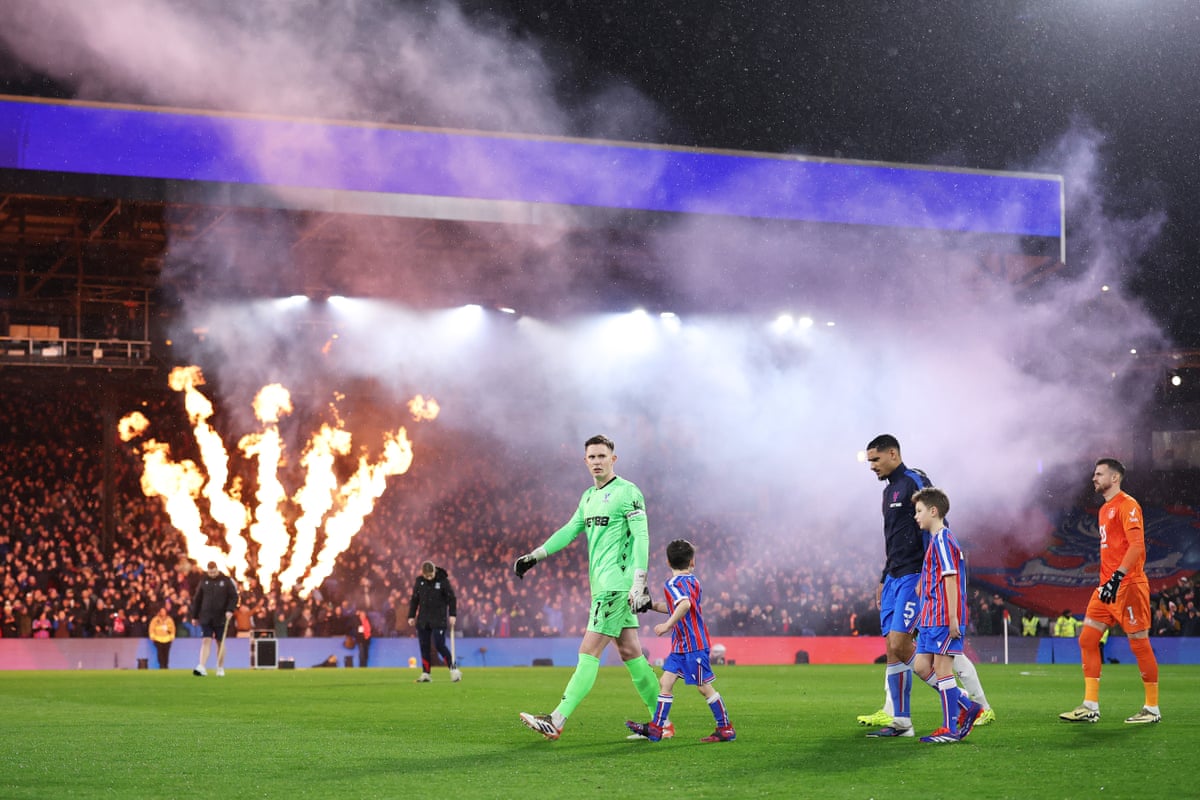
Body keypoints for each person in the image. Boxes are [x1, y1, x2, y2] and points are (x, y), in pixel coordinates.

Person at [515, 434, 660, 741]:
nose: (596, 461)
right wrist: (536, 555)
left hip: (616, 588)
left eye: (601, 456)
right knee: (631, 651)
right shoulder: (588, 497)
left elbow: (642, 537)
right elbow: (569, 530)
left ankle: (557, 719)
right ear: (585, 461)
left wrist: (639, 582)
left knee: (588, 650)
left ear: (613, 459)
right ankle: (662, 722)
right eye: (591, 457)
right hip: (604, 587)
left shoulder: (627, 492)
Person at [860, 434, 995, 736]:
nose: (872, 466)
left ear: (892, 454)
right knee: (893, 649)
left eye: (875, 459)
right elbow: (894, 540)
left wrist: (926, 572)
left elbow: (936, 519)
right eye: (869, 461)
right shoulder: (887, 492)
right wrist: (884, 577)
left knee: (903, 644)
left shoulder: (913, 480)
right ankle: (902, 721)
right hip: (895, 576)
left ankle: (965, 703)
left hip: (914, 576)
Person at [1060, 458, 1161, 724]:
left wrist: (1117, 578)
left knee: (1139, 642)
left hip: (1128, 584)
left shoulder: (1128, 505)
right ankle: (1090, 705)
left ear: (1114, 478)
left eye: (1099, 474)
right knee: (1087, 640)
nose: (1094, 478)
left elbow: (1137, 546)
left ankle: (1152, 709)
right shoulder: (1104, 510)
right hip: (1106, 586)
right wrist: (1109, 581)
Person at [625, 539, 736, 743]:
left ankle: (725, 727)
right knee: (665, 681)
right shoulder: (694, 581)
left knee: (703, 687)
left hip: (693, 645)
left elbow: (683, 605)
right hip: (681, 646)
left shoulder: (672, 584)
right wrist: (650, 605)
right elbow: (675, 606)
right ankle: (657, 727)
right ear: (692, 562)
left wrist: (667, 626)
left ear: (668, 562)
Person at [908, 487, 983, 743]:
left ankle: (949, 728)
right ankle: (966, 704)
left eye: (918, 511)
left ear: (933, 511)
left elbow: (951, 579)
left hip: (942, 616)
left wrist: (953, 618)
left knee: (942, 669)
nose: (915, 516)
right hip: (930, 617)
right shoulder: (935, 540)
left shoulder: (942, 539)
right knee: (920, 666)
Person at [407, 560, 461, 682]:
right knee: (424, 646)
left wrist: (452, 614)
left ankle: (453, 670)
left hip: (438, 619)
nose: (429, 578)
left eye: (431, 575)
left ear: (434, 571)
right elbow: (414, 600)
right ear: (423, 574)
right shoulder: (419, 581)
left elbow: (451, 598)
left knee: (439, 645)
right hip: (423, 619)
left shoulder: (442, 581)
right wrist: (411, 616)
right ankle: (426, 673)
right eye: (427, 576)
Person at [189, 561, 239, 677]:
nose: (212, 574)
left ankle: (220, 668)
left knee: (220, 642)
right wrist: (195, 616)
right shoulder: (203, 581)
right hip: (206, 617)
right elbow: (197, 599)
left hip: (221, 617)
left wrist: (230, 610)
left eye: (214, 572)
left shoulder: (226, 581)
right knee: (206, 640)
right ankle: (202, 666)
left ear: (217, 569)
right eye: (210, 572)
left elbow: (234, 597)